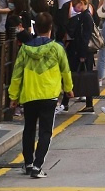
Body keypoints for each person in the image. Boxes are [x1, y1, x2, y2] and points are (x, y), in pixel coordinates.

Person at [8, 12, 72, 179]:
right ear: (51, 28)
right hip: (49, 95)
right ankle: (38, 166)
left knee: (28, 129)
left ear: (35, 28)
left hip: (29, 94)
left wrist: (13, 96)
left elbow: (17, 74)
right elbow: (65, 70)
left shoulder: (24, 49)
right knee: (45, 132)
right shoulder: (58, 48)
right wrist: (68, 88)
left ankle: (28, 163)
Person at [62, 0, 96, 114]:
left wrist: (82, 54)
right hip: (83, 52)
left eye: (75, 6)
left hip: (82, 52)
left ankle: (65, 104)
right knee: (82, 77)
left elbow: (84, 37)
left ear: (81, 4)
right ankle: (85, 104)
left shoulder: (85, 17)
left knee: (74, 76)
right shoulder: (85, 15)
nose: (74, 8)